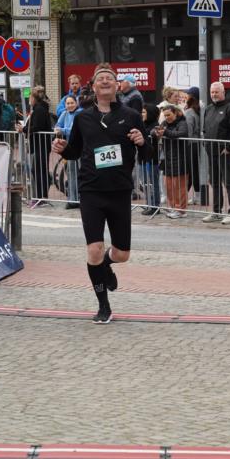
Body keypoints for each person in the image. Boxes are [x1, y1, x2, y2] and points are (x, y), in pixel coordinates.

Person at [51, 63, 152, 323]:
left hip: (119, 190)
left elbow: (148, 152)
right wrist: (62, 148)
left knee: (122, 254)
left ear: (117, 86)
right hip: (91, 190)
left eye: (110, 78)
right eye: (101, 79)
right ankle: (103, 306)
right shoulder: (84, 117)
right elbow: (74, 151)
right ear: (94, 87)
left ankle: (107, 264)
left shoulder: (130, 115)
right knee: (94, 249)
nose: (105, 81)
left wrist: (143, 141)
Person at [202, 81, 230, 225]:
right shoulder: (208, 109)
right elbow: (205, 129)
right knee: (214, 181)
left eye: (216, 92)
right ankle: (216, 211)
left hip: (225, 152)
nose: (214, 95)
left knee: (228, 182)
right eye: (212, 92)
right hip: (211, 151)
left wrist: (229, 148)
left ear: (223, 92)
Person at [153, 102, 189, 219]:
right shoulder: (164, 123)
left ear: (175, 113)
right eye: (165, 115)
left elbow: (182, 133)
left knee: (179, 186)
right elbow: (155, 131)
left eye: (169, 115)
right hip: (167, 158)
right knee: (168, 185)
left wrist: (166, 133)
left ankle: (181, 210)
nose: (166, 117)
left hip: (181, 158)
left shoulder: (182, 122)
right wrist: (155, 132)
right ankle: (173, 207)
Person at [27, 85, 53, 204]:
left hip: (40, 144)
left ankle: (41, 196)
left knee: (38, 170)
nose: (29, 100)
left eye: (30, 97)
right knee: (38, 170)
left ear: (34, 98)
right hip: (40, 144)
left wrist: (24, 129)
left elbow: (37, 127)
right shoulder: (40, 109)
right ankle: (41, 195)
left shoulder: (39, 110)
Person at [55, 94, 80, 208]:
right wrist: (57, 129)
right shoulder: (64, 113)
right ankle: (72, 199)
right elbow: (57, 125)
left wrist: (62, 130)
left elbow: (75, 130)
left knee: (80, 174)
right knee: (70, 174)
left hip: (80, 147)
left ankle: (80, 198)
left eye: (72, 103)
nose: (70, 105)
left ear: (76, 103)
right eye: (68, 103)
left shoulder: (80, 113)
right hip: (69, 148)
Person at [184, 87, 207, 206]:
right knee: (195, 170)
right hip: (197, 144)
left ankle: (192, 196)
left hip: (190, 145)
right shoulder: (200, 110)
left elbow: (188, 130)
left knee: (191, 170)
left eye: (187, 94)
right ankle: (196, 195)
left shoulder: (189, 112)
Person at [140, 102, 162, 216]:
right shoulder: (142, 124)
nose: (142, 114)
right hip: (143, 158)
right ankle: (149, 203)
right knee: (146, 183)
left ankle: (155, 206)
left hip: (151, 159)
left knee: (153, 183)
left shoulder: (154, 125)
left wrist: (153, 133)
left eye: (144, 112)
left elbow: (154, 133)